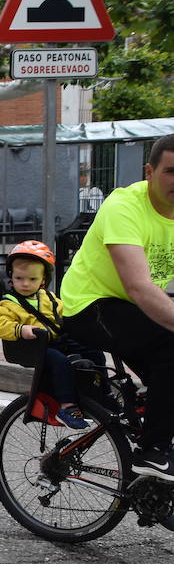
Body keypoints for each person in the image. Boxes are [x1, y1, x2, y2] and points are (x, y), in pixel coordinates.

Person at [61, 133, 174, 481]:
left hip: (134, 309)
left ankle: (152, 485)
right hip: (89, 305)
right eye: (171, 171)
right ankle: (151, 452)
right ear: (149, 172)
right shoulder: (124, 207)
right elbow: (139, 287)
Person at [0, 241, 87, 429]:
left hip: (54, 340)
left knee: (91, 349)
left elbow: (63, 315)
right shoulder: (8, 303)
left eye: (32, 279)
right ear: (11, 278)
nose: (25, 284)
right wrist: (20, 329)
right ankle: (67, 407)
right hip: (32, 347)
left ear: (43, 280)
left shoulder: (49, 298)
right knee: (60, 362)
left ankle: (103, 392)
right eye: (19, 278)